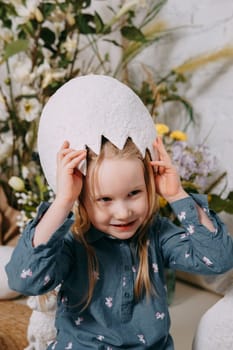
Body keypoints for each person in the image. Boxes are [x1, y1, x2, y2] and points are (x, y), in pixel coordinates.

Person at [6, 76, 233, 350]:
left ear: (149, 184)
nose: (123, 212)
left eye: (134, 193)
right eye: (104, 199)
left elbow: (219, 259)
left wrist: (176, 195)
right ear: (81, 199)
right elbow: (24, 279)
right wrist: (63, 201)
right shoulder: (73, 243)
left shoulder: (157, 235)